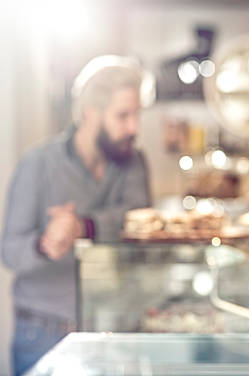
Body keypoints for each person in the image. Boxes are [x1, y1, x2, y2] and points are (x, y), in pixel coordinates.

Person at [1, 56, 152, 375]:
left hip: (116, 332)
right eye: (123, 116)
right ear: (90, 114)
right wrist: (47, 243)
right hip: (45, 333)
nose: (133, 128)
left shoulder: (134, 161)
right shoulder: (37, 164)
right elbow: (10, 253)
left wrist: (82, 226)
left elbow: (138, 221)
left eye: (136, 115)